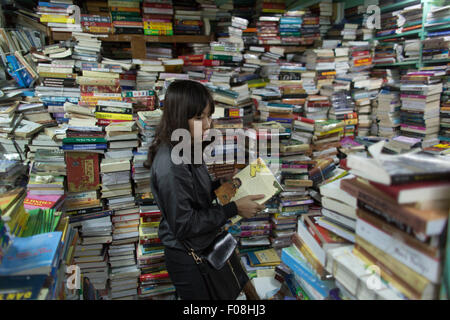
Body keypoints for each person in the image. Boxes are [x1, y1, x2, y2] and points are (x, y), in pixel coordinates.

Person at [146, 80, 264, 300]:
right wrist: (234, 208)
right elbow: (185, 224)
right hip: (189, 257)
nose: (208, 124)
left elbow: (193, 196)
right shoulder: (171, 164)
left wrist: (219, 186)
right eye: (199, 117)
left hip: (205, 245)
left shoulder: (187, 147)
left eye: (209, 116)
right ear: (179, 118)